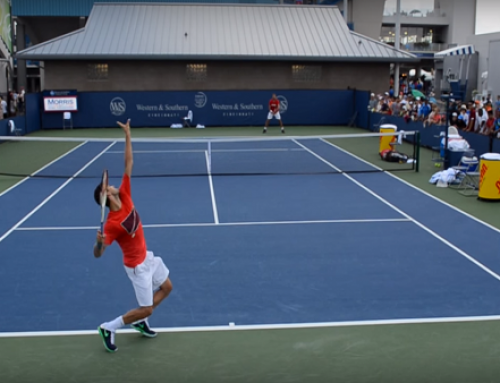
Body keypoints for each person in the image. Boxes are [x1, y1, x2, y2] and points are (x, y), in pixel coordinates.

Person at [93, 119, 173, 353]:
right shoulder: (112, 224)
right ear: (107, 196)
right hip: (136, 267)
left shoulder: (125, 194)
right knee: (147, 308)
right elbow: (98, 254)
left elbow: (129, 162)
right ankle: (109, 327)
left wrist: (128, 134)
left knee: (167, 287)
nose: (111, 185)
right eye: (107, 187)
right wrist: (98, 243)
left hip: (147, 257)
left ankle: (138, 320)